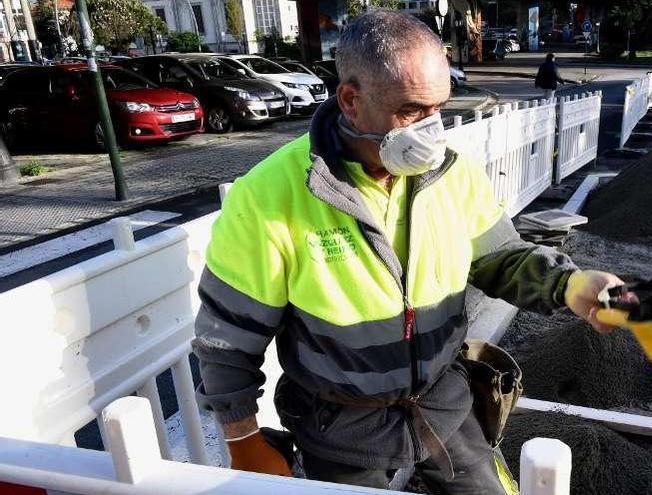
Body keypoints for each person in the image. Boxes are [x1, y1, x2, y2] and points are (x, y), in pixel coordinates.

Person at [193, 10, 625, 494]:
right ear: (351, 101)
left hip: (446, 403)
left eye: (439, 108)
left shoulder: (451, 172)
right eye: (411, 111)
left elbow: (500, 257)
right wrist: (243, 439)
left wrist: (569, 285)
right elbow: (228, 337)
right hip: (341, 433)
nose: (432, 131)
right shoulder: (270, 198)